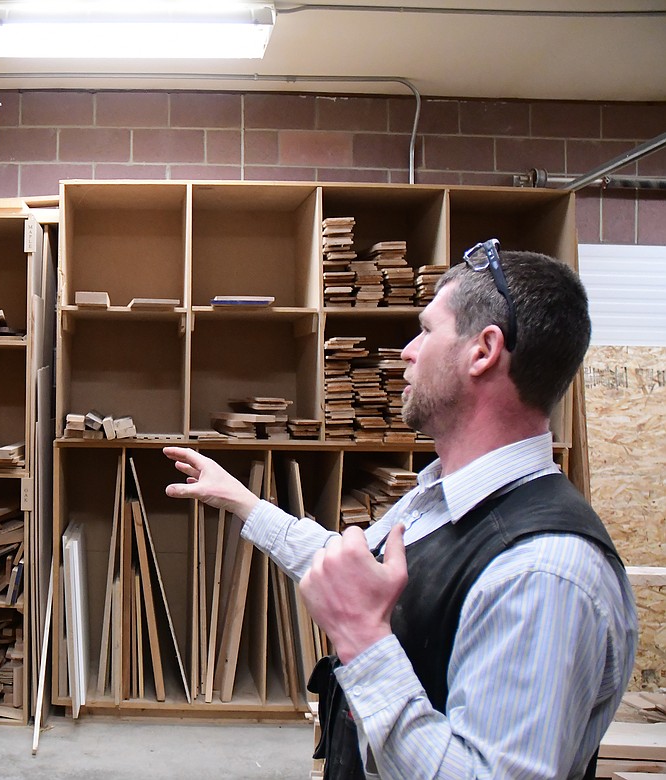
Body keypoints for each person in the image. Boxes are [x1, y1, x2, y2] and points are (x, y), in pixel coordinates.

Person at [165, 245, 637, 779]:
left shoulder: (542, 572)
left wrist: (363, 641)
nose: (406, 352)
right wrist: (241, 501)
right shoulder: (438, 497)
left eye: (426, 331)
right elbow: (350, 563)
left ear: (482, 351)